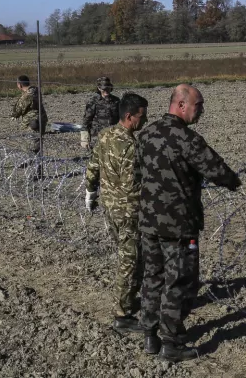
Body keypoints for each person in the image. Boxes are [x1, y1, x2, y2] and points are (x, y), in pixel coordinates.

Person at [135, 84, 242, 362]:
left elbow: (137, 172)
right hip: (178, 225)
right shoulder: (186, 138)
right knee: (179, 282)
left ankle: (150, 333)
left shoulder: (145, 134)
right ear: (181, 105)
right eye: (199, 105)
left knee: (152, 277)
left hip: (148, 222)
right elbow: (217, 169)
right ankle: (171, 342)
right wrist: (234, 181)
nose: (201, 111)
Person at [84, 92, 149, 333]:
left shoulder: (105, 135)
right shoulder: (131, 146)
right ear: (129, 116)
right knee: (129, 262)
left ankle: (129, 300)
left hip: (110, 208)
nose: (145, 120)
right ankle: (123, 315)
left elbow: (93, 165)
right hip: (128, 212)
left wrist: (91, 191)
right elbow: (133, 186)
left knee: (127, 258)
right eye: (142, 116)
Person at [11, 75, 48, 154]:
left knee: (30, 144)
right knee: (38, 142)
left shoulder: (27, 95)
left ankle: (32, 162)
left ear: (19, 85)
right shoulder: (36, 90)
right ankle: (38, 161)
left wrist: (14, 115)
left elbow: (19, 109)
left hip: (31, 122)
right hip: (41, 119)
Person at [81, 77, 120, 149]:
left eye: (107, 88)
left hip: (113, 136)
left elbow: (121, 119)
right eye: (103, 89)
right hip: (97, 137)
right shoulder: (93, 101)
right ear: (99, 88)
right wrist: (84, 139)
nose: (106, 91)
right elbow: (86, 120)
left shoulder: (116, 101)